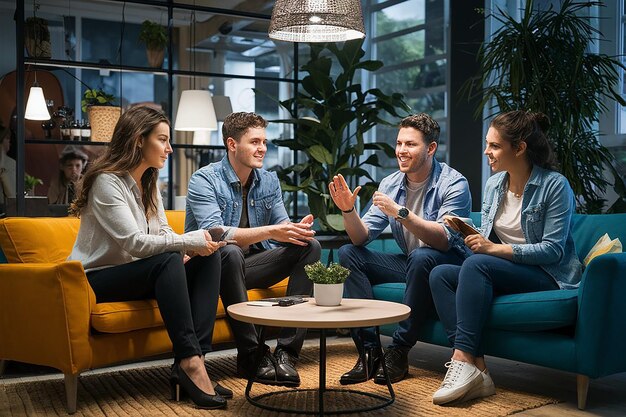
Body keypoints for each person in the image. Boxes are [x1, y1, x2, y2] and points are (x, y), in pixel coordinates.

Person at [68, 106, 228, 409]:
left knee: (209, 258)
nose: (169, 149)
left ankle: (197, 362)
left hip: (140, 271)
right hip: (98, 278)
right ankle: (190, 364)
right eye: (163, 140)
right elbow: (135, 243)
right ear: (138, 140)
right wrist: (186, 242)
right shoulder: (107, 181)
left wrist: (188, 250)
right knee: (169, 259)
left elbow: (164, 231)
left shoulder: (150, 182)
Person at [429, 110, 582, 405]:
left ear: (519, 148)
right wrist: (463, 232)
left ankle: (461, 360)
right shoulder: (494, 185)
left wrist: (491, 250)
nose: (487, 151)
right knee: (440, 275)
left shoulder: (555, 186)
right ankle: (479, 368)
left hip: (548, 275)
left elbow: (553, 250)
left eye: (495, 146)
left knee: (476, 265)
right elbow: (487, 240)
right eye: (488, 144)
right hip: (510, 270)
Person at [329, 113, 471, 385]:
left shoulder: (454, 183)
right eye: (399, 143)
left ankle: (399, 350)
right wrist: (348, 210)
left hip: (447, 263)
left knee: (422, 256)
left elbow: (443, 240)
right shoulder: (391, 183)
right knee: (349, 253)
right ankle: (370, 351)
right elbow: (361, 238)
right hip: (412, 262)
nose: (401, 151)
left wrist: (401, 213)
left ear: (430, 148)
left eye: (410, 145)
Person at [185, 111, 321, 387]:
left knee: (310, 246)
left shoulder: (268, 181)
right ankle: (251, 354)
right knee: (230, 251)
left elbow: (281, 226)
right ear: (232, 145)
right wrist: (273, 231)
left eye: (264, 142)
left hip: (253, 266)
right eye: (254, 142)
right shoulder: (204, 180)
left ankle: (286, 353)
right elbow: (216, 234)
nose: (262, 149)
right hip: (212, 268)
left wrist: (295, 230)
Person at [0, 125, 16, 200]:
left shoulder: (11, 163)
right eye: (7, 139)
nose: (10, 142)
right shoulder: (10, 164)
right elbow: (12, 194)